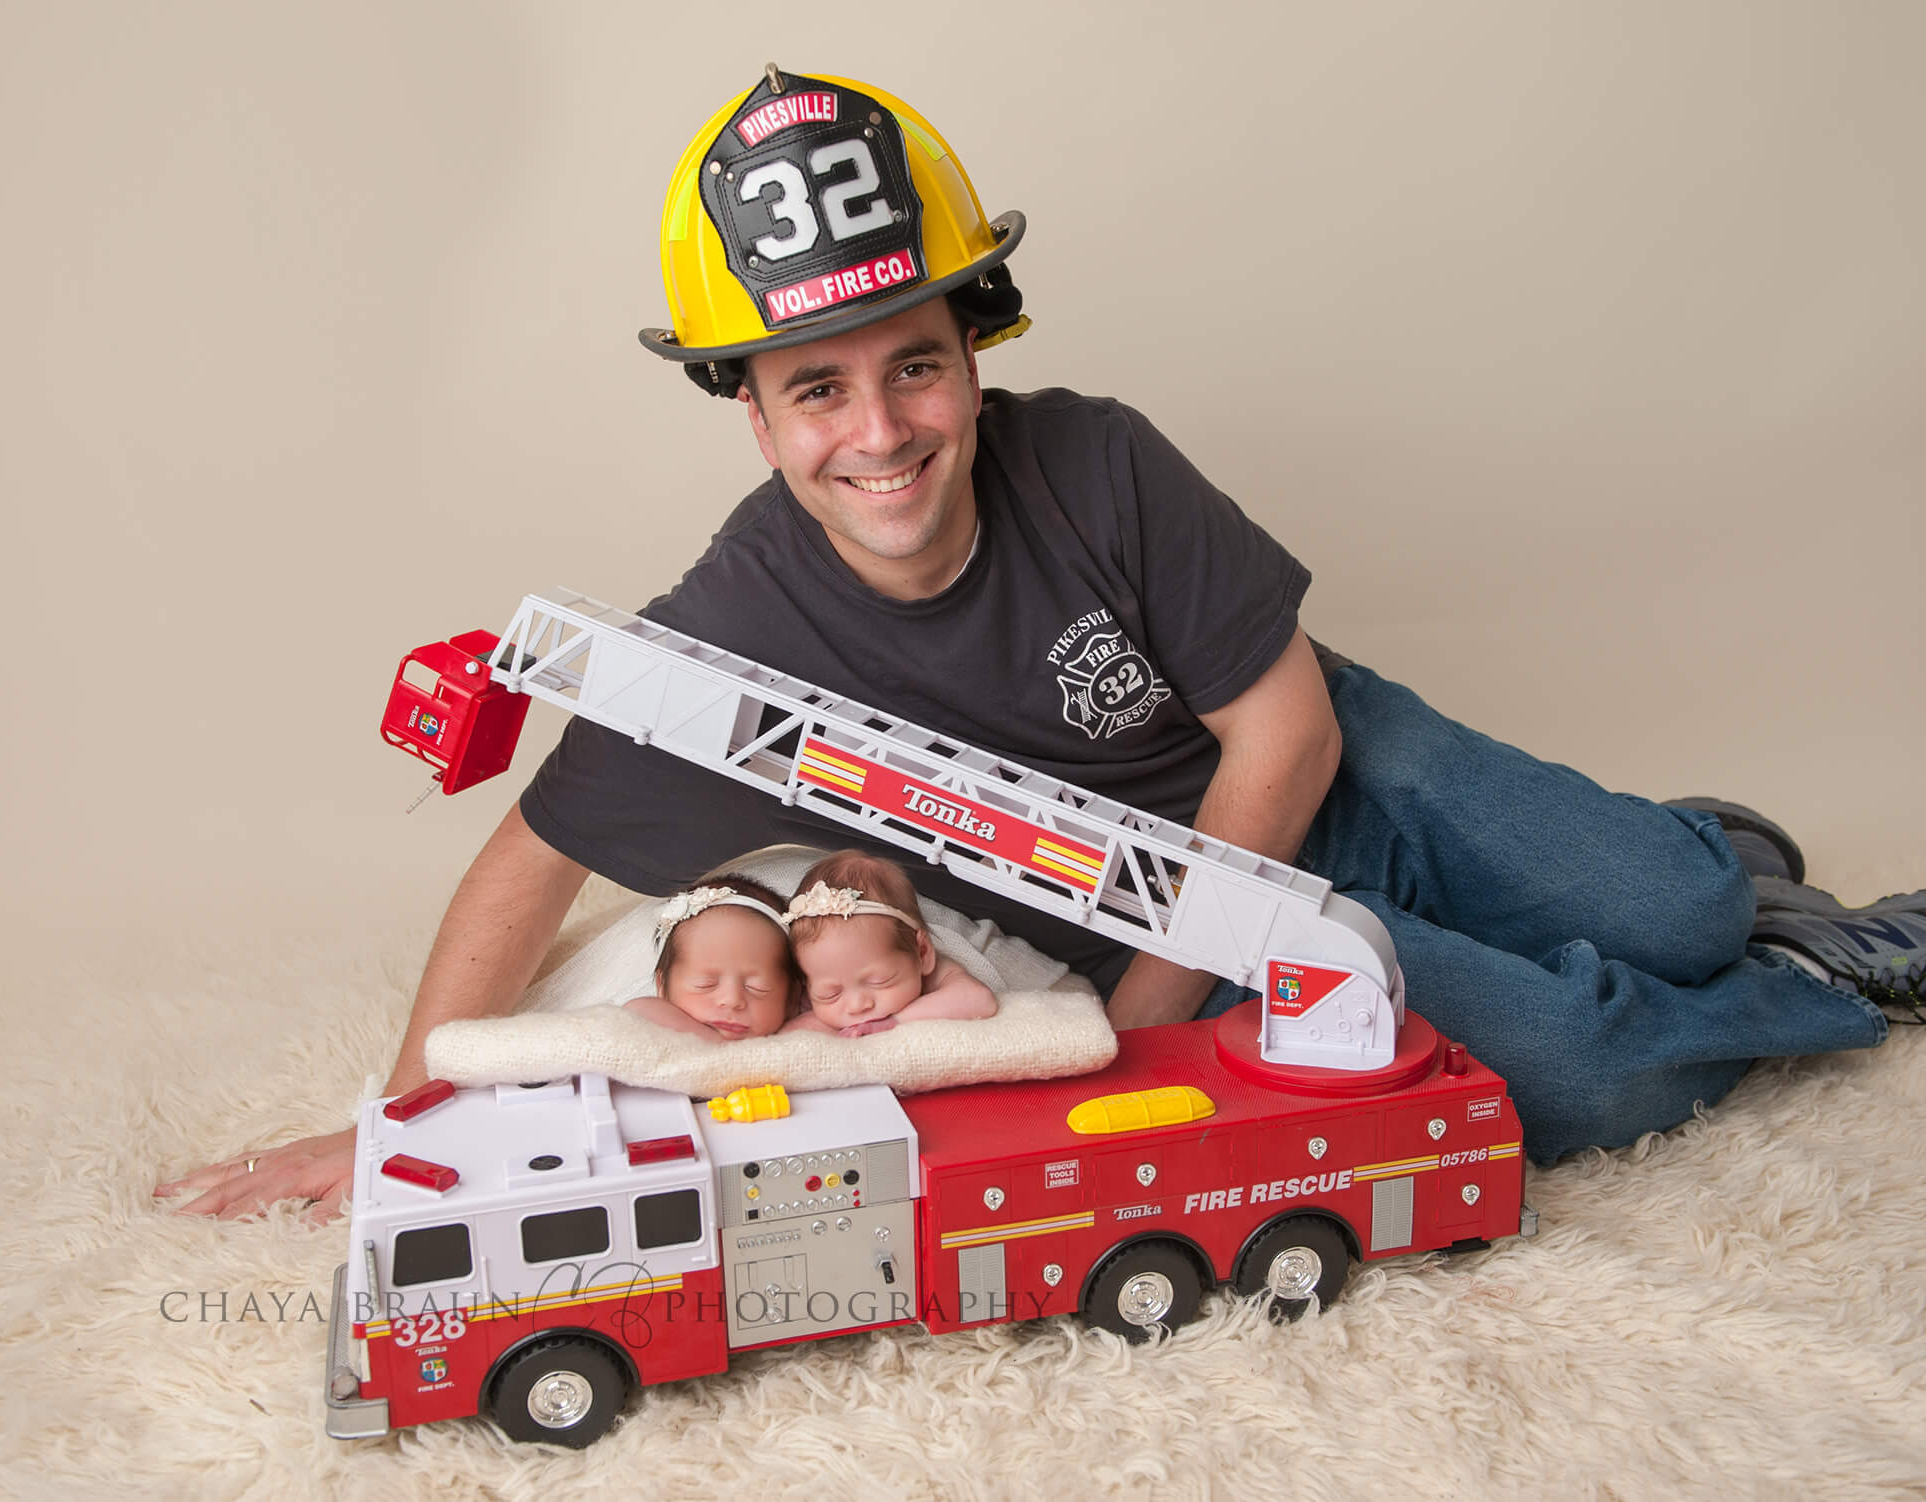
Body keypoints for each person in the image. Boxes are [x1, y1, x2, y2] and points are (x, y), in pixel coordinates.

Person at [157, 65, 1923, 1222]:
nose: (880, 431)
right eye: (815, 391)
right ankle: (1829, 976)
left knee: (1666, 902)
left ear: (972, 348)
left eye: (914, 362)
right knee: (1583, 1069)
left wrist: (1137, 1013)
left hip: (1320, 768)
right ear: (753, 415)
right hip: (1199, 915)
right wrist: (395, 1137)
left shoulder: (1097, 458)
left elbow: (1288, 734)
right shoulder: (731, 634)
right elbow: (525, 861)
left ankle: (1709, 876)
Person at [780, 851, 998, 1037]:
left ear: (922, 953)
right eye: (830, 994)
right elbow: (793, 1035)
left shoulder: (939, 972)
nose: (858, 1005)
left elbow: (980, 1000)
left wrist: (895, 1021)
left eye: (879, 981)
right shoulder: (810, 983)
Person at [622, 876, 798, 1042]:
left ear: (792, 997)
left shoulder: (794, 1040)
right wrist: (719, 1047)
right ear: (662, 987)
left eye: (758, 987)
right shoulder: (654, 1031)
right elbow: (638, 1010)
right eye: (705, 984)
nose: (731, 1000)